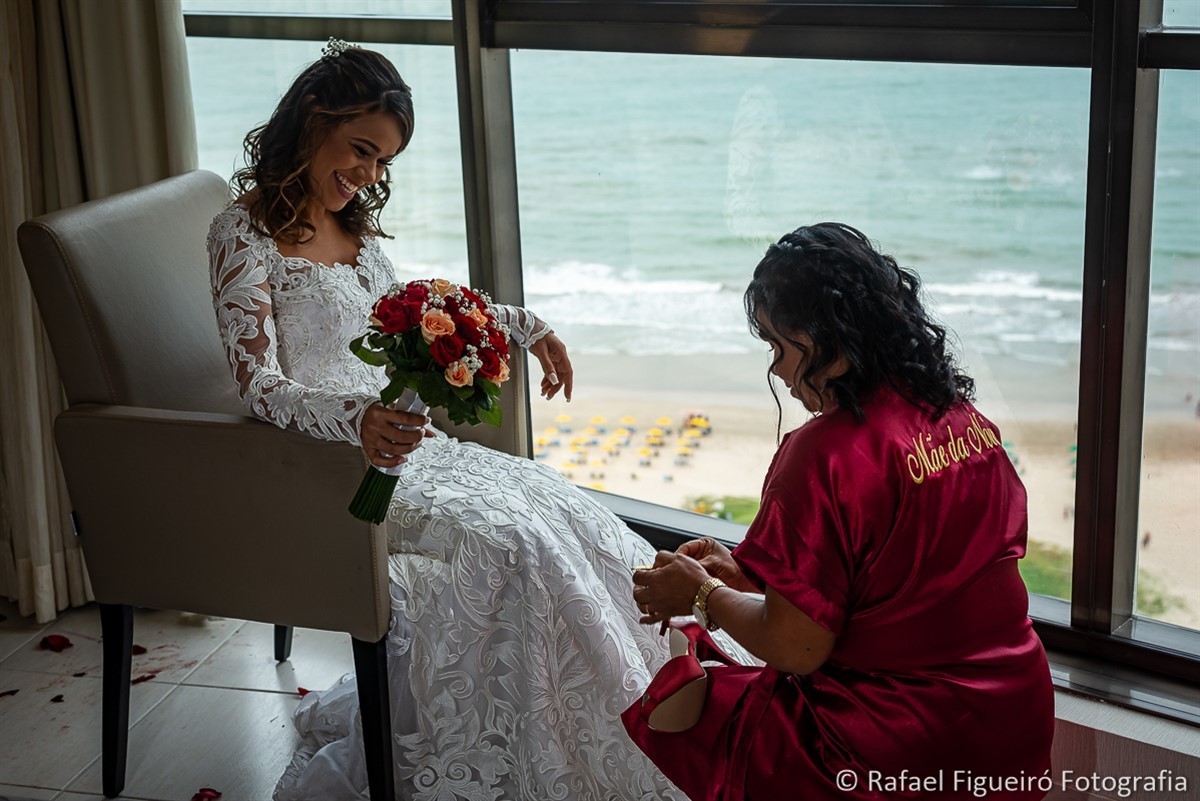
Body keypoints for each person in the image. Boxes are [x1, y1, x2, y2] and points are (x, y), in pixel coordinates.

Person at [206, 40, 711, 801]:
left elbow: (420, 312)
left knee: (560, 507)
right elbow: (259, 385)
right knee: (511, 545)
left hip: (413, 449)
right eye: (362, 151)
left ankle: (649, 702)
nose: (370, 176)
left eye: (383, 163)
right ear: (314, 118)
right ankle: (534, 755)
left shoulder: (356, 229)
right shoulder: (240, 233)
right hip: (330, 467)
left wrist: (521, 322)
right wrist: (358, 418)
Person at [626, 223, 1055, 800]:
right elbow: (912, 565)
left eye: (780, 346)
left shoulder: (822, 453)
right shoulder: (962, 420)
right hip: (1012, 716)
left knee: (700, 721)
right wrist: (749, 573)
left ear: (827, 336)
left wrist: (702, 597)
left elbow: (798, 650)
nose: (777, 370)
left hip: (898, 745)